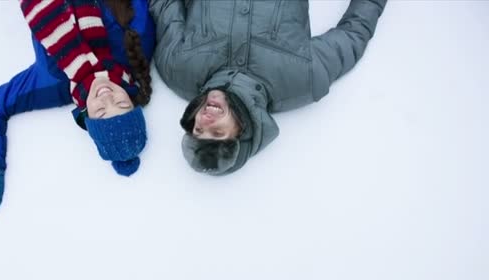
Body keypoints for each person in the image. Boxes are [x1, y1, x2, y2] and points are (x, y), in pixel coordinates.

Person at [149, 0, 387, 175]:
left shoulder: (177, 68)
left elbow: (165, 5)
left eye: (198, 130)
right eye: (218, 132)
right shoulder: (302, 79)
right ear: (241, 131)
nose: (204, 122)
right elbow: (354, 33)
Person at [0, 0, 155, 215]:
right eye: (121, 103)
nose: (107, 96)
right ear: (132, 99)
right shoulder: (136, 45)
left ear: (88, 117)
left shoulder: (51, 84)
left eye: (101, 111)